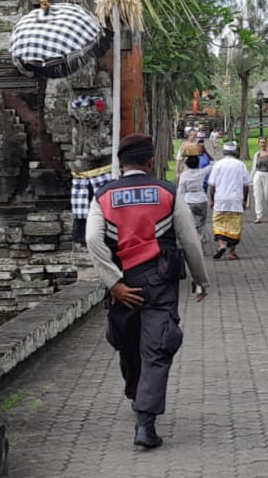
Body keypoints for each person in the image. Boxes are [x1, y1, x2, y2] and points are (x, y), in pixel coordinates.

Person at [86, 133, 209, 450]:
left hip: (123, 285)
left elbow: (92, 240)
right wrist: (200, 279)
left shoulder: (103, 197)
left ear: (120, 162)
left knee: (128, 342)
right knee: (157, 347)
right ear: (151, 161)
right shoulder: (167, 192)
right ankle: (145, 420)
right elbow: (190, 241)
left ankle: (140, 406)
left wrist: (114, 283)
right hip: (159, 282)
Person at [206, 141, 251, 260]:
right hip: (236, 199)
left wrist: (212, 200)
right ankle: (232, 252)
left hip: (220, 199)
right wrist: (245, 200)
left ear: (224, 152)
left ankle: (221, 245)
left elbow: (212, 185)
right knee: (234, 225)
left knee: (219, 223)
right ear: (235, 152)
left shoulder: (218, 165)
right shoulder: (240, 165)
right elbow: (246, 185)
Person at [176, 154, 210, 246]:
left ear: (187, 164)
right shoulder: (202, 172)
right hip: (202, 199)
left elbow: (180, 190)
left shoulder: (184, 175)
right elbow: (214, 164)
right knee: (201, 224)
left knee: (191, 223)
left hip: (189, 200)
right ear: (198, 163)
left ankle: (194, 243)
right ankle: (200, 242)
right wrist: (206, 152)